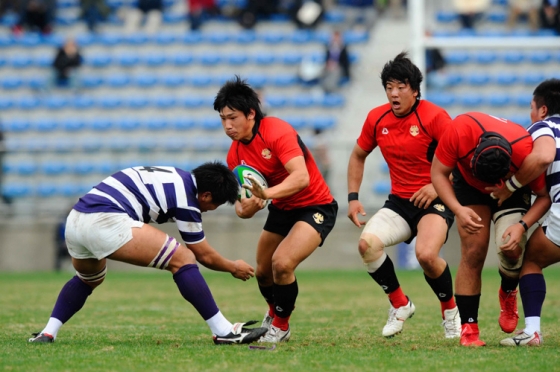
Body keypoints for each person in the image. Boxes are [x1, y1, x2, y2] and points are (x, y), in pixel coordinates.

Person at [28, 162, 267, 345]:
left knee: (89, 278)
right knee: (184, 259)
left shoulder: (178, 175)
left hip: (75, 220)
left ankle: (48, 332)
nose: (208, 210)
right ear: (205, 195)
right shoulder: (188, 199)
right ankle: (223, 331)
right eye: (212, 205)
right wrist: (232, 267)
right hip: (105, 219)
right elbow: (203, 254)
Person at [213, 76, 338, 343]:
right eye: (223, 119)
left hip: (316, 205)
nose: (227, 125)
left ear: (250, 113)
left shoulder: (277, 131)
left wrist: (266, 195)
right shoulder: (234, 155)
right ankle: (273, 314)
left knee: (282, 264)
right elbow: (241, 206)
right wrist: (247, 207)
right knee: (262, 271)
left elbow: (301, 177)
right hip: (282, 208)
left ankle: (281, 327)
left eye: (232, 117)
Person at [346, 52, 460, 340]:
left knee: (425, 255)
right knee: (367, 246)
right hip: (399, 201)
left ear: (415, 90)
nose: (394, 94)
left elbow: (462, 158)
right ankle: (400, 304)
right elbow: (358, 155)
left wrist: (437, 186)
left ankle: (450, 313)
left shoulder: (434, 117)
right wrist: (353, 197)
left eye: (401, 87)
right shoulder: (376, 118)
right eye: (389, 87)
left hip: (435, 200)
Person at [431, 111, 548, 347]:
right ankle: (469, 329)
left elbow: (544, 197)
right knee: (473, 251)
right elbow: (438, 173)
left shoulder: (524, 151)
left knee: (511, 249)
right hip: (468, 186)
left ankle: (508, 290)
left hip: (513, 188)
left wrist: (522, 225)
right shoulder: (460, 130)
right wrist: (458, 209)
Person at [499, 79, 560, 347]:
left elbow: (545, 156)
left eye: (531, 108)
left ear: (543, 110)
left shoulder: (542, 127)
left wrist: (511, 185)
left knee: (531, 261)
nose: (531, 114)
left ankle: (532, 331)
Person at [320, 30, 351, 94]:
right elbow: (326, 59)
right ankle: (323, 86)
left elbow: (345, 62)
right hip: (329, 67)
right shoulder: (328, 48)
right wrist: (329, 64)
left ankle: (330, 88)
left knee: (335, 72)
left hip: (339, 67)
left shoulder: (343, 48)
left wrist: (336, 65)